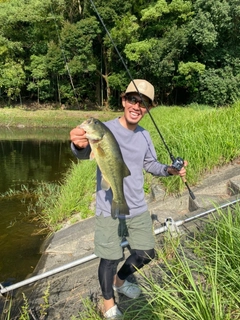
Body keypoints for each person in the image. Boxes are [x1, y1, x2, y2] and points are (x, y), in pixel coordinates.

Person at [70, 79, 187, 319]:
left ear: (148, 108)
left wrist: (169, 170)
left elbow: (151, 164)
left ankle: (119, 281)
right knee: (110, 257)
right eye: (133, 99)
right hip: (108, 206)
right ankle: (108, 305)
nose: (137, 106)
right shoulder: (105, 130)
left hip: (136, 206)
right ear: (123, 101)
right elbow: (83, 150)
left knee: (145, 252)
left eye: (143, 103)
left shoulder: (145, 136)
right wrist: (78, 145)